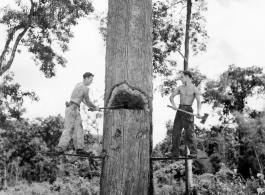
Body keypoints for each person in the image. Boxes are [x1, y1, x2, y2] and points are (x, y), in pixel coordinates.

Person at [55, 72, 99, 155]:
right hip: (73, 108)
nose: (91, 82)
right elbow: (88, 101)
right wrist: (95, 107)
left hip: (71, 107)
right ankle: (60, 148)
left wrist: (91, 107)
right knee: (69, 129)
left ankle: (79, 149)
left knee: (78, 128)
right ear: (86, 78)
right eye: (91, 80)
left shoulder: (78, 84)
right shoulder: (85, 88)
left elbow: (82, 100)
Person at [166, 70, 201, 158]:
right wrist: (174, 105)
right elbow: (171, 97)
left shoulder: (194, 89)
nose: (181, 79)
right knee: (175, 131)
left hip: (188, 110)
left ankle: (194, 152)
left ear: (187, 77)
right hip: (179, 110)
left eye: (182, 77)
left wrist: (198, 112)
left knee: (189, 132)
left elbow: (199, 101)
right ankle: (175, 152)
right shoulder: (180, 87)